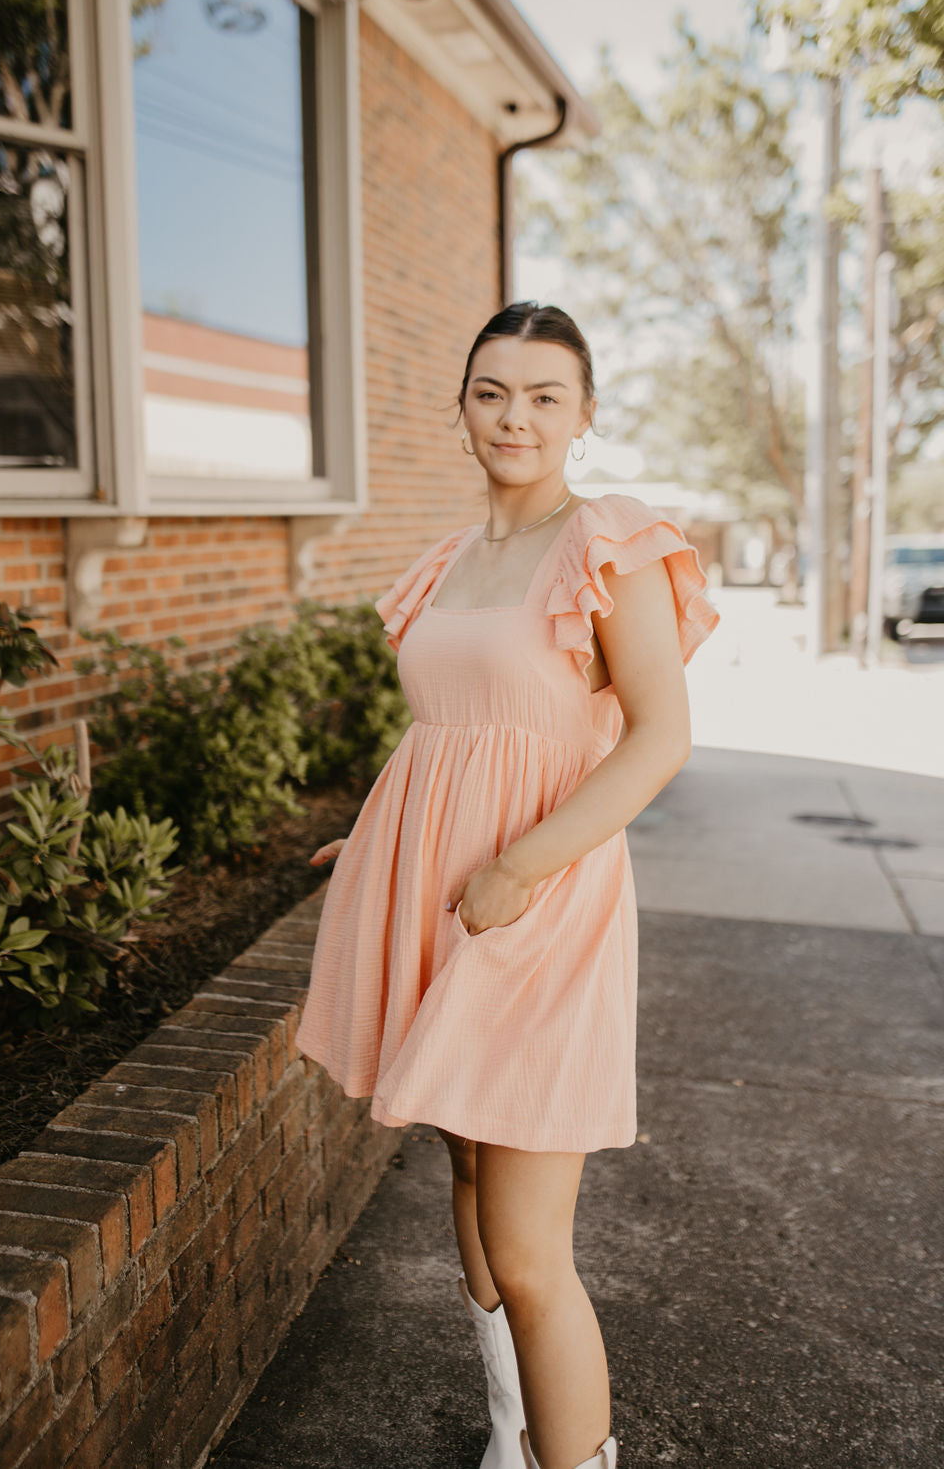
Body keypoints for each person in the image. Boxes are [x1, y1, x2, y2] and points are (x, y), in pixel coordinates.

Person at [296, 301, 719, 1469]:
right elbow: (447, 735)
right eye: (492, 392)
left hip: (542, 899)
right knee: (470, 1163)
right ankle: (509, 1431)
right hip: (446, 891)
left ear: (585, 415)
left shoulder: (613, 541)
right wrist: (374, 838)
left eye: (543, 395)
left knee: (532, 1253)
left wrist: (518, 867)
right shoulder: (453, 558)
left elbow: (656, 737)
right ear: (462, 407)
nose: (514, 416)